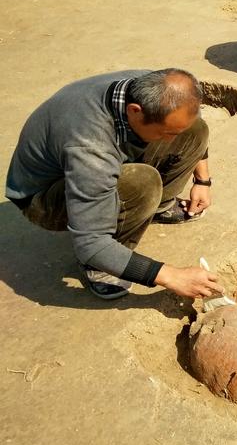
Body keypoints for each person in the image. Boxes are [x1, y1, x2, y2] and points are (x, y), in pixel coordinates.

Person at [5, 69, 223, 300]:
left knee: (195, 129)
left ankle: (160, 206)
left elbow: (187, 125)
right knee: (142, 183)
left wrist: (202, 180)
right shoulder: (90, 148)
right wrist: (172, 276)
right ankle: (100, 266)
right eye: (167, 132)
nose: (172, 139)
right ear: (135, 111)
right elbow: (91, 244)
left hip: (84, 166)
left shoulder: (153, 88)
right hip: (43, 197)